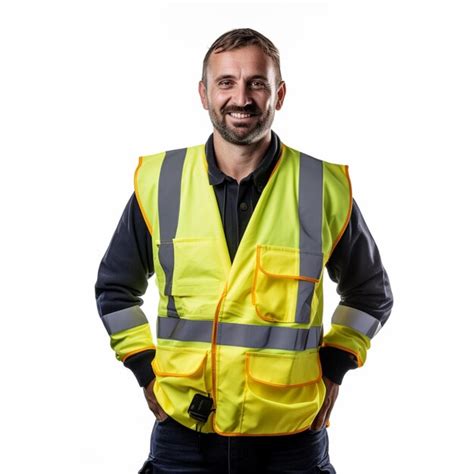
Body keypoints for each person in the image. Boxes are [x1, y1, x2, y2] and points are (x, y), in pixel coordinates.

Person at [95, 28, 393, 474]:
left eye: (257, 82)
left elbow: (370, 293)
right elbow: (115, 289)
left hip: (290, 436)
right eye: (226, 82)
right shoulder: (161, 183)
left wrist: (336, 364)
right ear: (203, 93)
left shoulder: (323, 188)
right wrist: (143, 367)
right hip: (184, 433)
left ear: (280, 93)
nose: (242, 97)